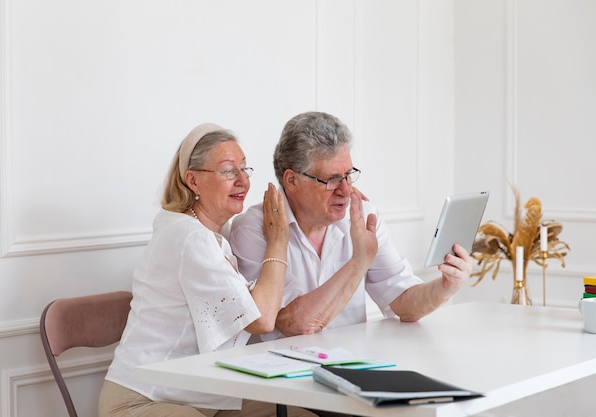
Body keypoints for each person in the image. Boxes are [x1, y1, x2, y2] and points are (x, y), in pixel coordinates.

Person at [99, 123, 316, 417]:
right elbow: (262, 321)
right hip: (143, 398)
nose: (242, 181)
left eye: (244, 169)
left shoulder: (209, 234)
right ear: (193, 180)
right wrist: (278, 241)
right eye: (228, 171)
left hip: (204, 393)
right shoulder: (190, 237)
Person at [229, 111, 473, 341]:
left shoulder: (362, 217)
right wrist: (359, 261)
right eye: (332, 179)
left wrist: (445, 287)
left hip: (352, 365)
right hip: (279, 374)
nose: (345, 190)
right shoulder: (253, 229)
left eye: (348, 175)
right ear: (292, 180)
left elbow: (404, 302)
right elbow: (294, 323)